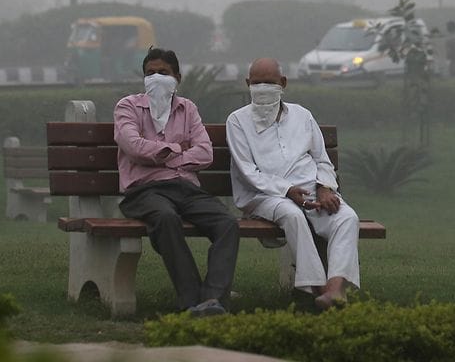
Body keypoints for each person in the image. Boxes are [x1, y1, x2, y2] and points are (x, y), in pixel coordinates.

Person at [226, 57, 360, 310]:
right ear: (248, 84)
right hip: (264, 196)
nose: (263, 87)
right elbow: (248, 171)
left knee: (347, 217)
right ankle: (318, 289)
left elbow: (321, 159)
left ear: (283, 83)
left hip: (311, 190)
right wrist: (286, 191)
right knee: (292, 216)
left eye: (270, 82)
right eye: (257, 83)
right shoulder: (237, 121)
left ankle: (336, 289)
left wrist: (324, 187)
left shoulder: (302, 115)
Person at [114, 47, 239, 316]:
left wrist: (162, 154)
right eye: (150, 73)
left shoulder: (188, 109)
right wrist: (178, 148)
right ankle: (193, 302)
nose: (156, 78)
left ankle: (213, 299)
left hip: (186, 189)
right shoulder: (128, 106)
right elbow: (133, 145)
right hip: (144, 191)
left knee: (227, 223)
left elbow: (205, 153)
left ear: (177, 78)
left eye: (163, 73)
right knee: (166, 218)